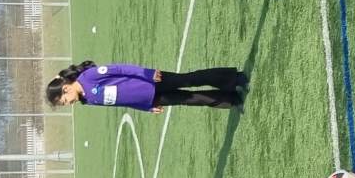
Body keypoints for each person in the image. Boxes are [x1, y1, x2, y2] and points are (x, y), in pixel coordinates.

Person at [45, 61, 247, 112]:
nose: (68, 103)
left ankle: (234, 79)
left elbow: (121, 69)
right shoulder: (88, 100)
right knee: (191, 99)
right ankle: (231, 99)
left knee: (190, 79)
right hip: (151, 99)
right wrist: (146, 107)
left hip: (151, 82)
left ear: (66, 88)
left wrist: (147, 73)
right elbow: (121, 102)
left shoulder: (89, 76)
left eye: (64, 101)